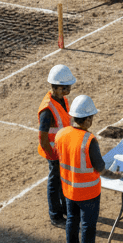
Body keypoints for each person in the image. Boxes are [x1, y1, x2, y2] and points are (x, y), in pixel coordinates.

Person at [55, 94, 123, 243]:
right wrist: (119, 175)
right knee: (88, 227)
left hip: (68, 190)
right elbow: (101, 169)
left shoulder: (61, 134)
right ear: (87, 119)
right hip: (88, 193)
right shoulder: (89, 141)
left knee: (72, 222)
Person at [37, 64, 77, 227]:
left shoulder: (62, 100)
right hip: (54, 153)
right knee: (55, 183)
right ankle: (55, 215)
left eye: (68, 86)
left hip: (62, 150)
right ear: (56, 87)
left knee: (63, 181)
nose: (68, 90)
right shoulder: (47, 109)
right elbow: (43, 136)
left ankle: (65, 209)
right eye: (65, 87)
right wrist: (52, 154)